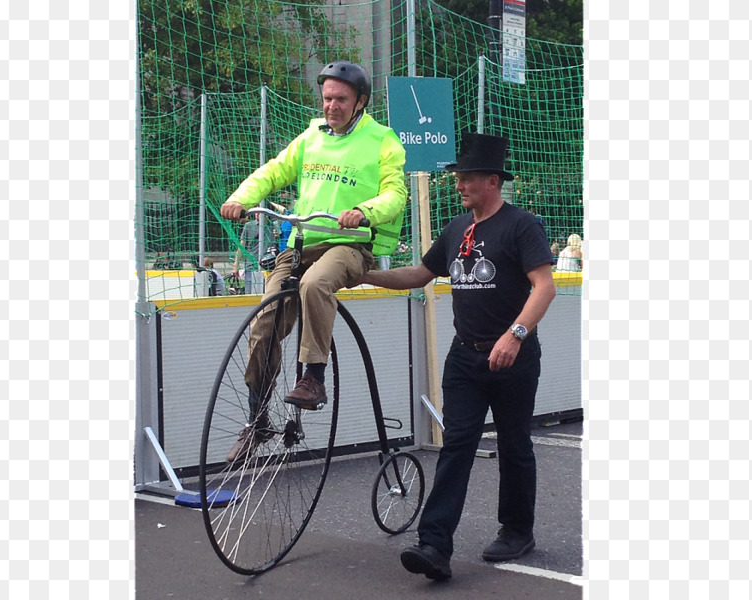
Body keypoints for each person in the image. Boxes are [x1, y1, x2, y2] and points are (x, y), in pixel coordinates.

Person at [358, 132, 556, 580]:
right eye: (457, 178)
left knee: (514, 445)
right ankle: (434, 546)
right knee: (457, 446)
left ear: (492, 180)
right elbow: (418, 275)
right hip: (465, 358)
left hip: (514, 356)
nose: (459, 184)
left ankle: (517, 530)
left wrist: (516, 335)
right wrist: (363, 276)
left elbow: (544, 286)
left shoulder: (521, 225)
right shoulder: (456, 229)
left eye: (466, 178)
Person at [219, 60, 408, 461]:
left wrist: (364, 210)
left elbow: (396, 195)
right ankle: (258, 420)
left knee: (315, 283)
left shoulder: (383, 140)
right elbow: (273, 172)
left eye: (340, 99)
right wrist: (242, 198)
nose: (331, 106)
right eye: (326, 98)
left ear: (360, 102)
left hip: (350, 246)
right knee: (265, 320)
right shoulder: (311, 136)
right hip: (302, 244)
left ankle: (314, 379)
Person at [234, 212, 275, 294]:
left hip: (268, 267)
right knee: (249, 294)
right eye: (256, 212)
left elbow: (284, 211)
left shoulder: (274, 225)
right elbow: (241, 246)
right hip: (251, 266)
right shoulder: (249, 226)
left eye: (259, 213)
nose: (256, 215)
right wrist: (236, 265)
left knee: (266, 294)